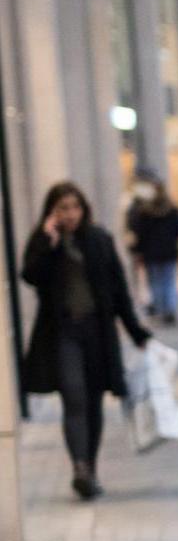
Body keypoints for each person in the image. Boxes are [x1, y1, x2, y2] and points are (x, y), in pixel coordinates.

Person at [21, 181, 149, 498]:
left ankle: (89, 468)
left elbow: (118, 290)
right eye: (63, 208)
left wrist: (136, 331)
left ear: (84, 208)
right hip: (63, 333)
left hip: (97, 333)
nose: (70, 214)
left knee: (92, 402)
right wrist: (48, 241)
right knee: (74, 397)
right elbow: (30, 276)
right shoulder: (44, 243)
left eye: (75, 207)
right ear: (52, 212)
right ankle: (79, 466)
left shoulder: (98, 239)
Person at [126, 181, 178, 326]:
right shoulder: (172, 210)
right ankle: (169, 309)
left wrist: (138, 249)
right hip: (168, 250)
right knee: (169, 281)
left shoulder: (146, 212)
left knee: (156, 282)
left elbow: (140, 233)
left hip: (151, 252)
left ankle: (160, 310)